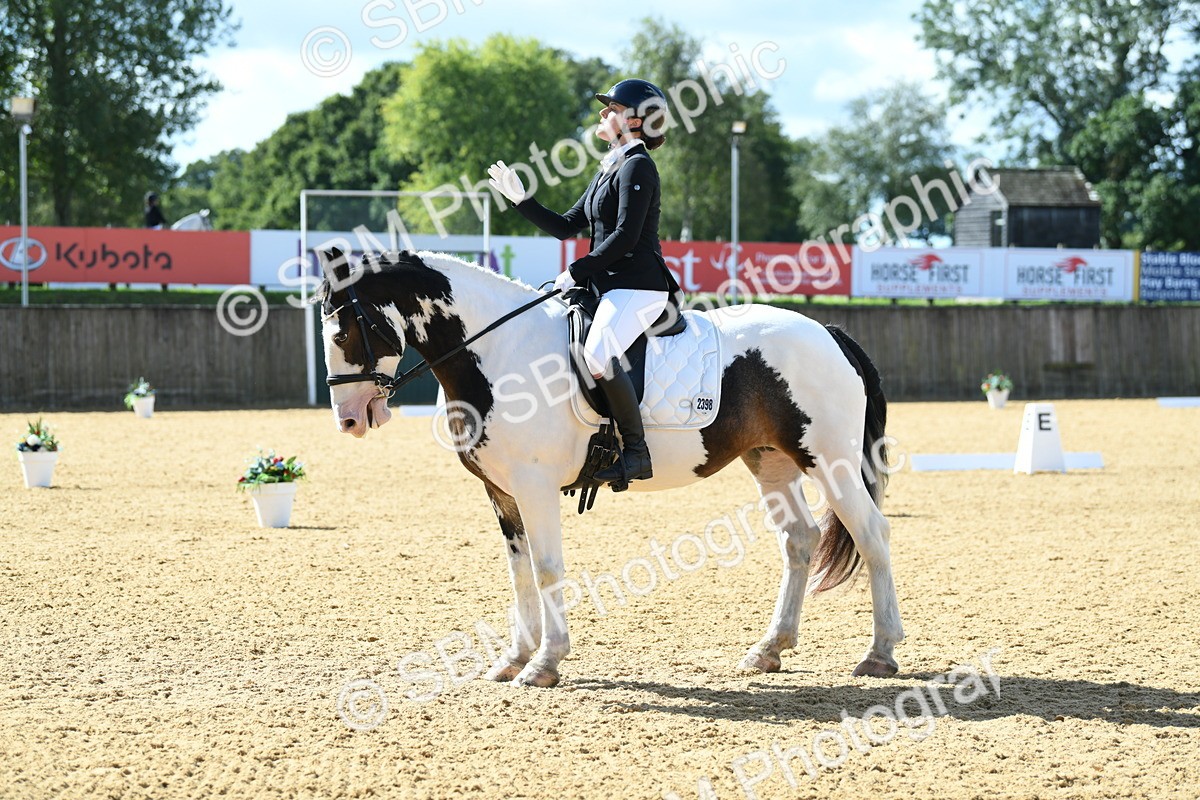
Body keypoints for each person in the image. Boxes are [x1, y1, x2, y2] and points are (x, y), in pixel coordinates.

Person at [488, 78, 680, 489]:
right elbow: (565, 227)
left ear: (632, 119)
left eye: (610, 108)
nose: (602, 113)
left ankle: (636, 451)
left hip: (639, 287)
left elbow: (627, 236)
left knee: (597, 355)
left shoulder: (638, 166)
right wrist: (522, 201)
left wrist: (579, 270)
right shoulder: (611, 166)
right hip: (608, 286)